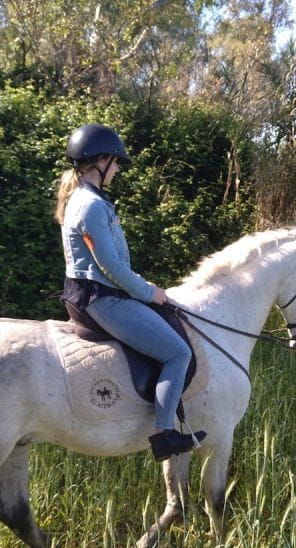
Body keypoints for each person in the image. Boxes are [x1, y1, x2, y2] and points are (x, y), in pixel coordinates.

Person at [55, 124, 206, 461]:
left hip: (98, 292)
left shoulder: (87, 200)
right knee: (178, 353)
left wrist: (141, 286)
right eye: (116, 162)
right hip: (103, 299)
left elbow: (112, 263)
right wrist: (148, 292)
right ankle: (165, 434)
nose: (118, 169)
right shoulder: (90, 206)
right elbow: (110, 266)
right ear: (100, 161)